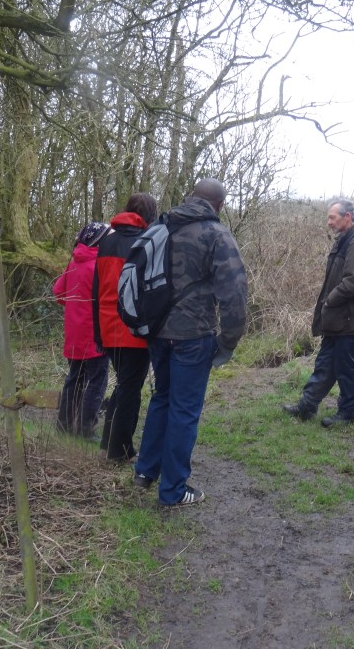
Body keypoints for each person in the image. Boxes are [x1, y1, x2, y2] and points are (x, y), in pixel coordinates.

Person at [132, 179, 247, 507]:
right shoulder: (216, 234)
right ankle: (172, 490)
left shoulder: (161, 226)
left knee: (162, 398)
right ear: (219, 205)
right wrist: (229, 341)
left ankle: (145, 471)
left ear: (191, 197)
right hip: (193, 336)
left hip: (157, 331)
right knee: (183, 410)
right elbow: (235, 293)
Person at [283, 198, 354, 428]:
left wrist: (330, 300)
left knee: (348, 369)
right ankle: (307, 406)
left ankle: (348, 413)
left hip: (349, 319)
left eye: (332, 217)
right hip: (337, 319)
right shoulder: (343, 240)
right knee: (325, 364)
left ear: (347, 217)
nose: (329, 222)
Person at [93, 193, 159, 463]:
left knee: (123, 385)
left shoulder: (106, 242)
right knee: (130, 390)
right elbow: (148, 290)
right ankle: (120, 451)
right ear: (150, 215)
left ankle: (109, 445)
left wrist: (98, 332)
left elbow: (96, 290)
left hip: (108, 326)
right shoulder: (144, 242)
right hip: (133, 328)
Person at [53, 221, 111, 438]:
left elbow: (59, 292)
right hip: (95, 334)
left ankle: (64, 425)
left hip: (74, 333)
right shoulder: (100, 266)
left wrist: (74, 307)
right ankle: (86, 428)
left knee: (74, 380)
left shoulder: (75, 263)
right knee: (97, 381)